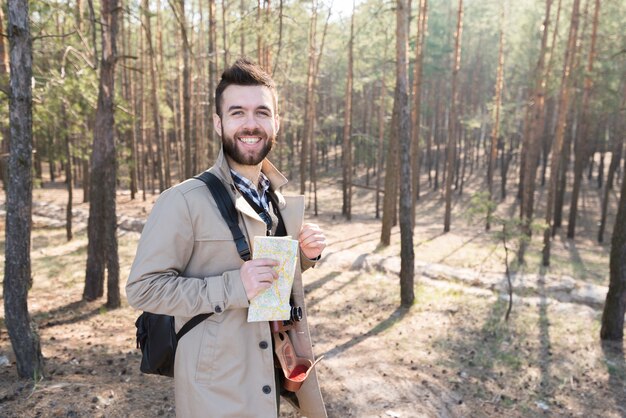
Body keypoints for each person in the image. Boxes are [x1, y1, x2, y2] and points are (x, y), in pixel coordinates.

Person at [126, 58, 327, 418]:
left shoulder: (274, 198)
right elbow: (143, 289)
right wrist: (234, 287)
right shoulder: (184, 200)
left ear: (276, 122)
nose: (251, 124)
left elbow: (265, 279)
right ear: (219, 123)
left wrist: (303, 256)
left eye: (262, 113)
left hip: (267, 373)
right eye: (238, 113)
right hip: (215, 391)